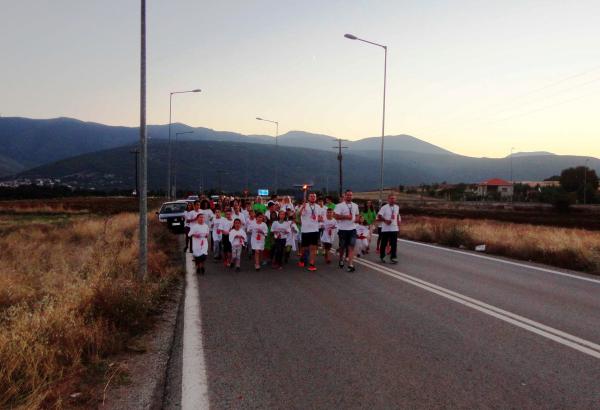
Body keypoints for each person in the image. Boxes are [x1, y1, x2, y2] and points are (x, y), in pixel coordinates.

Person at [334, 189, 360, 272]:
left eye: (351, 195)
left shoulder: (355, 205)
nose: (349, 196)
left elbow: (357, 215)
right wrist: (346, 217)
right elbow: (336, 216)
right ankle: (341, 258)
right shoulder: (339, 206)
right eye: (347, 195)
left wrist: (357, 219)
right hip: (342, 230)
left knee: (351, 247)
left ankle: (350, 265)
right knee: (342, 247)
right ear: (344, 196)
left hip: (352, 229)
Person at [297, 192, 320, 271]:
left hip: (315, 230)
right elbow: (299, 214)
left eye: (314, 196)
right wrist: (303, 207)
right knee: (305, 248)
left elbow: (319, 217)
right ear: (308, 198)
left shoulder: (318, 207)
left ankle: (312, 264)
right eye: (311, 196)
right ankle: (302, 259)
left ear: (315, 198)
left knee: (313, 247)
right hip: (306, 230)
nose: (313, 197)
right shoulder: (304, 205)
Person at [377, 194, 401, 264]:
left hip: (394, 228)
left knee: (394, 244)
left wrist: (398, 227)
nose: (392, 200)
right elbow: (379, 216)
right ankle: (382, 256)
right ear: (388, 199)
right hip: (385, 229)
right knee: (384, 243)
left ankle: (393, 257)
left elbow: (397, 217)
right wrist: (385, 221)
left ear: (395, 200)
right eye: (391, 198)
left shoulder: (397, 207)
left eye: (394, 199)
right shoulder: (384, 207)